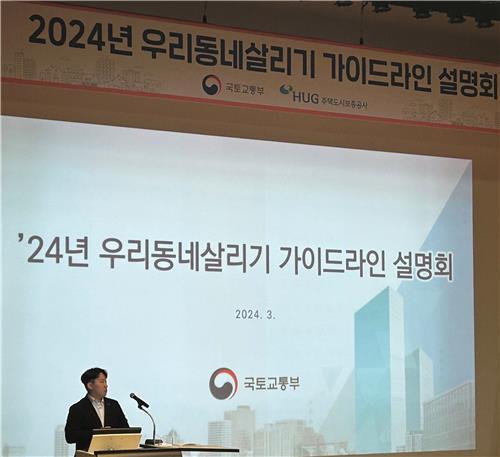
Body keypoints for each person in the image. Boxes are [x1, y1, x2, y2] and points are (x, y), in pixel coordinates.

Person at [65, 367, 129, 451]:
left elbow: (126, 429)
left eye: (106, 381)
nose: (106, 385)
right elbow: (70, 436)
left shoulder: (114, 405)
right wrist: (97, 433)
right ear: (90, 385)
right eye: (102, 382)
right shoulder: (77, 408)